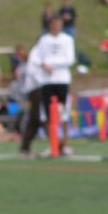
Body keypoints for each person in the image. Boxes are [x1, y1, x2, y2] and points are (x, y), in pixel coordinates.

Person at [35, 15, 75, 156]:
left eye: (59, 24)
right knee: (47, 114)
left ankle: (65, 144)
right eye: (54, 24)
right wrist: (43, 64)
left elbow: (69, 59)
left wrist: (51, 63)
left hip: (62, 80)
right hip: (47, 81)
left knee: (63, 112)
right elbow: (37, 57)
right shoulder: (44, 40)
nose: (56, 27)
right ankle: (53, 143)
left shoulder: (67, 39)